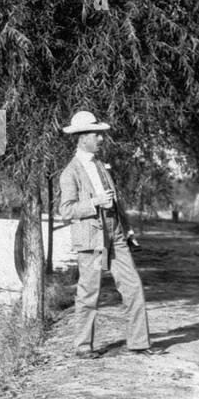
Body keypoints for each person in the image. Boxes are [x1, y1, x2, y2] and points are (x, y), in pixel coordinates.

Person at [58, 110, 151, 358]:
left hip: (116, 233)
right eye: (96, 134)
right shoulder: (70, 172)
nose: (101, 138)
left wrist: (127, 228)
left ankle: (140, 343)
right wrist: (95, 202)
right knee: (89, 294)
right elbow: (65, 211)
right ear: (82, 138)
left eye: (100, 134)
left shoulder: (100, 166)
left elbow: (116, 202)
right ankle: (83, 348)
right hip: (90, 237)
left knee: (133, 286)